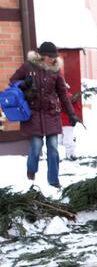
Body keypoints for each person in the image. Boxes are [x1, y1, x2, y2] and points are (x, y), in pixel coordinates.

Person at [9, 41, 80, 188]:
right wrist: (24, 84)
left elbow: (63, 94)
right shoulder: (28, 67)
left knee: (53, 148)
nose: (53, 59)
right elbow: (13, 81)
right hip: (33, 114)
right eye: (50, 56)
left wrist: (72, 114)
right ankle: (31, 168)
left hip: (51, 114)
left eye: (54, 57)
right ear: (43, 56)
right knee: (36, 146)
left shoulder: (55, 71)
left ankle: (53, 179)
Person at [59, 82, 82, 160]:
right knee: (62, 140)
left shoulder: (70, 97)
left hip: (67, 122)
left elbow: (76, 109)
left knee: (67, 139)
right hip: (60, 122)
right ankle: (70, 154)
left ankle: (70, 155)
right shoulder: (58, 97)